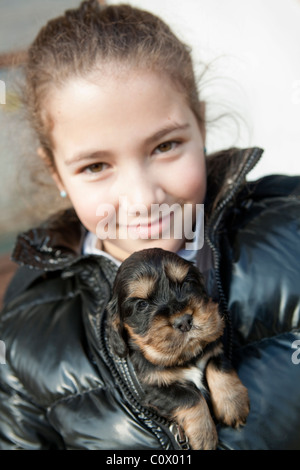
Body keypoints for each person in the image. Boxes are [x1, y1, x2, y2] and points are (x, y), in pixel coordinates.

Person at [0, 0, 299, 450]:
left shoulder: (292, 229)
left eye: (165, 146)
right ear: (57, 172)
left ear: (199, 123)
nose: (142, 198)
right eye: (96, 165)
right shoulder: (25, 336)